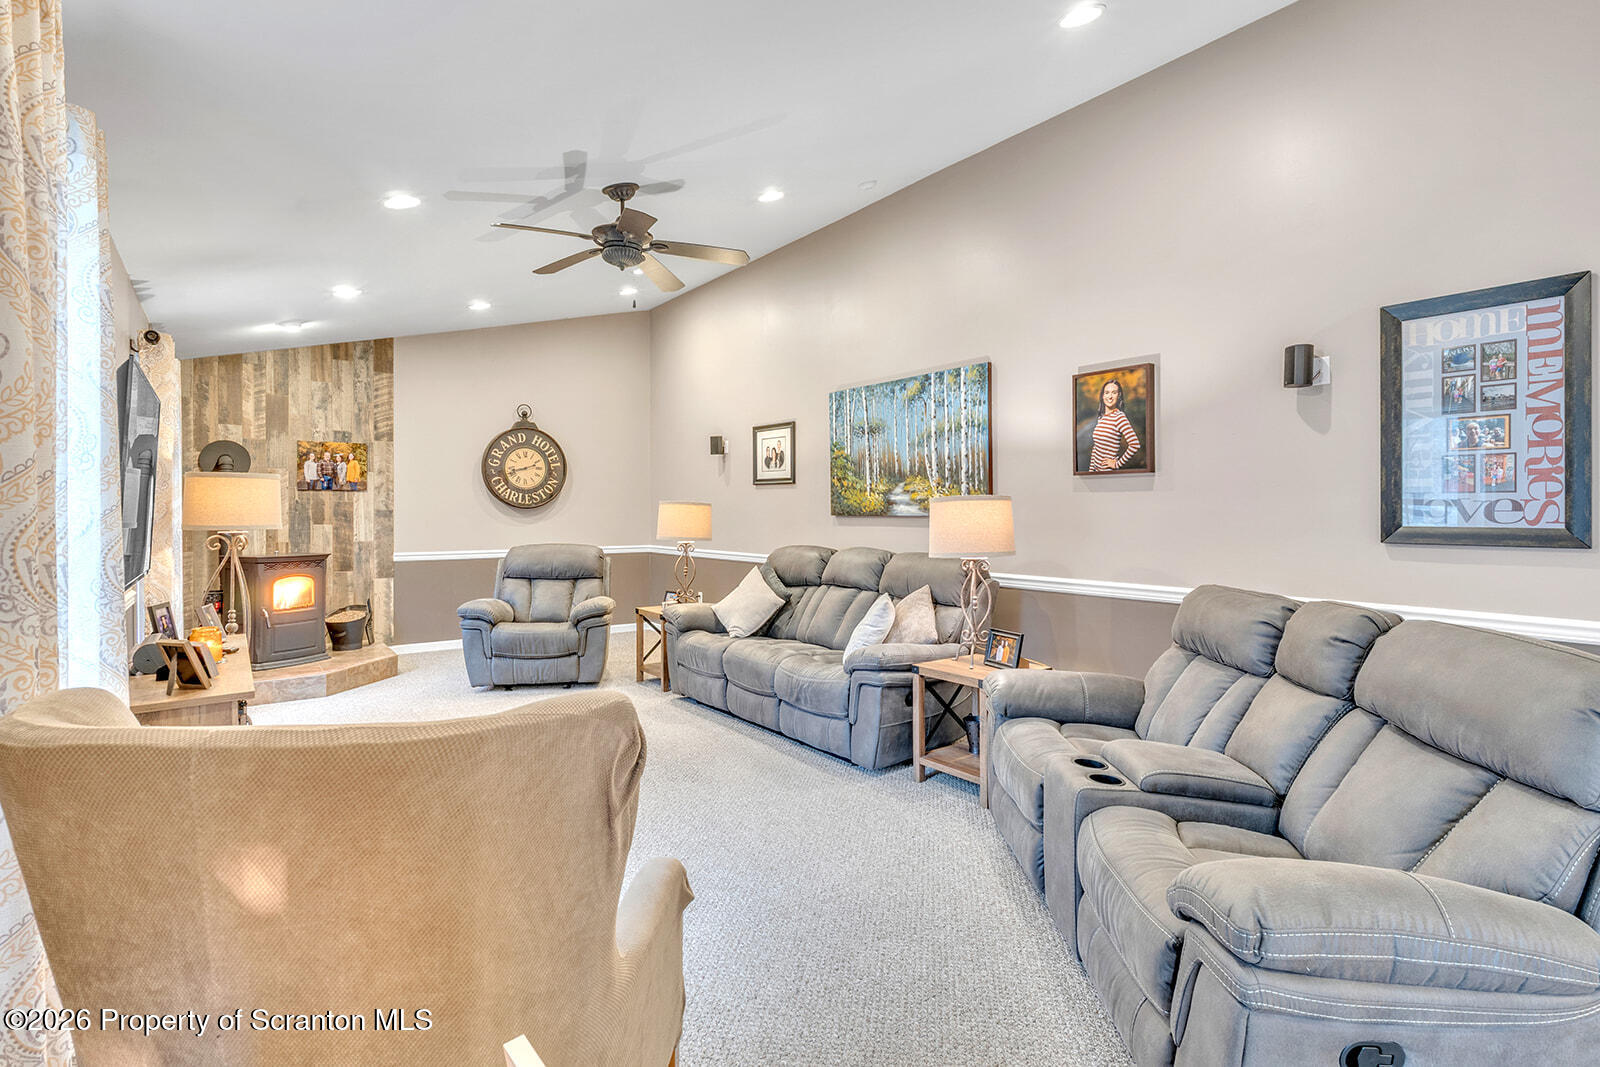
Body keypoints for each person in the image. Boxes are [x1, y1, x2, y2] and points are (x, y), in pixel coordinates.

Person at [1088, 378, 1141, 471]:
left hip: (1108, 473)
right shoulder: (1101, 417)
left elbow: (1135, 445)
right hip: (1096, 473)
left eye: (1114, 392)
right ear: (1102, 396)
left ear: (1119, 395)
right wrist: (1091, 471)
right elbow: (1096, 447)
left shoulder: (1119, 417)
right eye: (1107, 392)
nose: (1110, 396)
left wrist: (1117, 464)